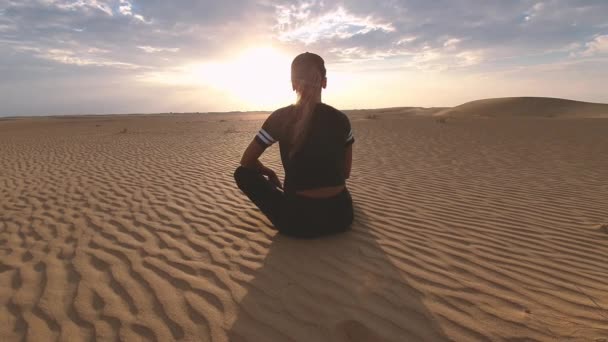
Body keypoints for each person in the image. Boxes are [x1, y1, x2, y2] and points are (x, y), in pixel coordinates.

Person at [234, 52, 355, 238]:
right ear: (324, 82)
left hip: (297, 222)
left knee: (242, 173)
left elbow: (247, 161)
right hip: (341, 218)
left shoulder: (280, 117)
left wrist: (269, 172)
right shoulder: (341, 119)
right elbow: (345, 173)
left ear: (293, 84)